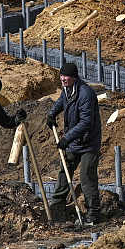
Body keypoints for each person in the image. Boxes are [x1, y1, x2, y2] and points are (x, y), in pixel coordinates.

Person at [46, 62, 102, 224]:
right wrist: (52, 114)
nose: (63, 79)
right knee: (65, 170)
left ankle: (93, 213)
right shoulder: (67, 89)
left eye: (66, 76)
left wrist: (66, 138)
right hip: (75, 142)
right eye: (61, 75)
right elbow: (61, 102)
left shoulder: (86, 94)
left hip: (88, 143)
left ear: (74, 77)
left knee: (86, 176)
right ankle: (57, 206)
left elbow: (85, 122)